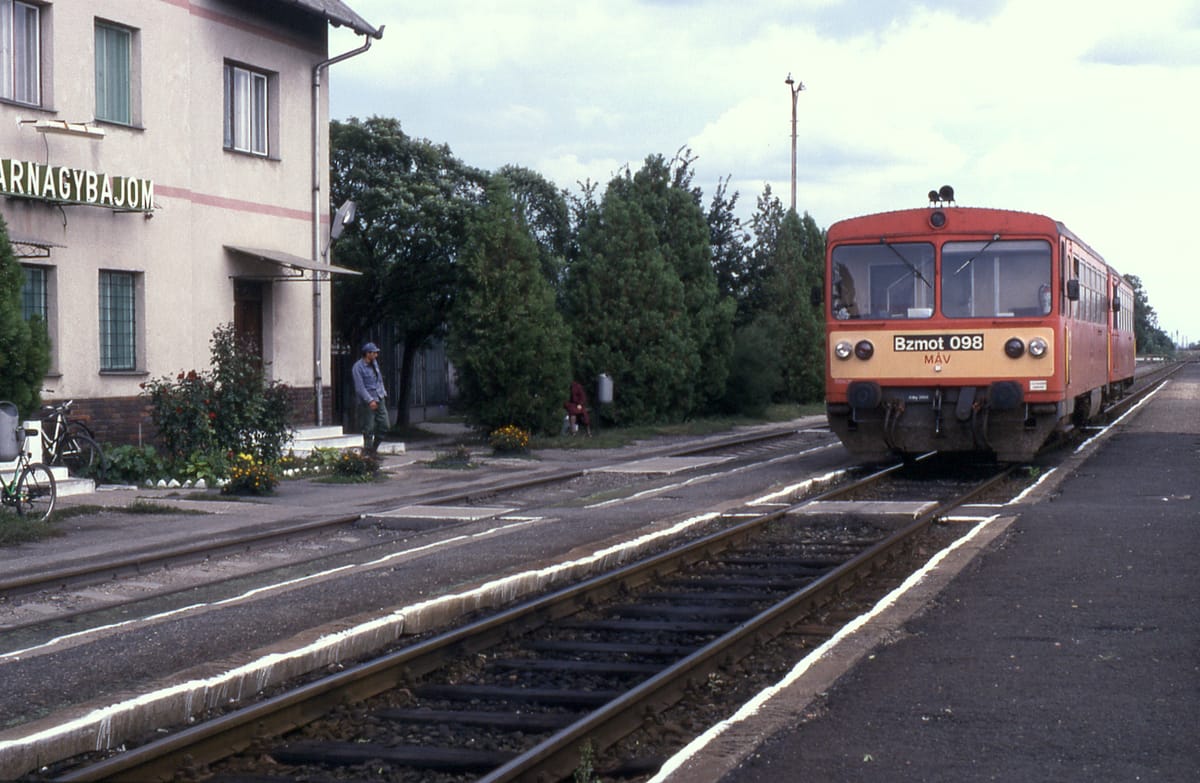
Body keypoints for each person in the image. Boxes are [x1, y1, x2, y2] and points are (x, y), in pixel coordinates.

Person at [352, 341, 389, 454]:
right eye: (374, 353)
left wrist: (383, 392)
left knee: (385, 425)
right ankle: (368, 453)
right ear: (367, 353)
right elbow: (360, 387)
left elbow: (379, 379)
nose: (376, 355)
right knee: (369, 428)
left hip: (379, 397)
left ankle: (374, 448)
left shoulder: (374, 363)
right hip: (367, 402)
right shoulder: (358, 367)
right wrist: (370, 400)